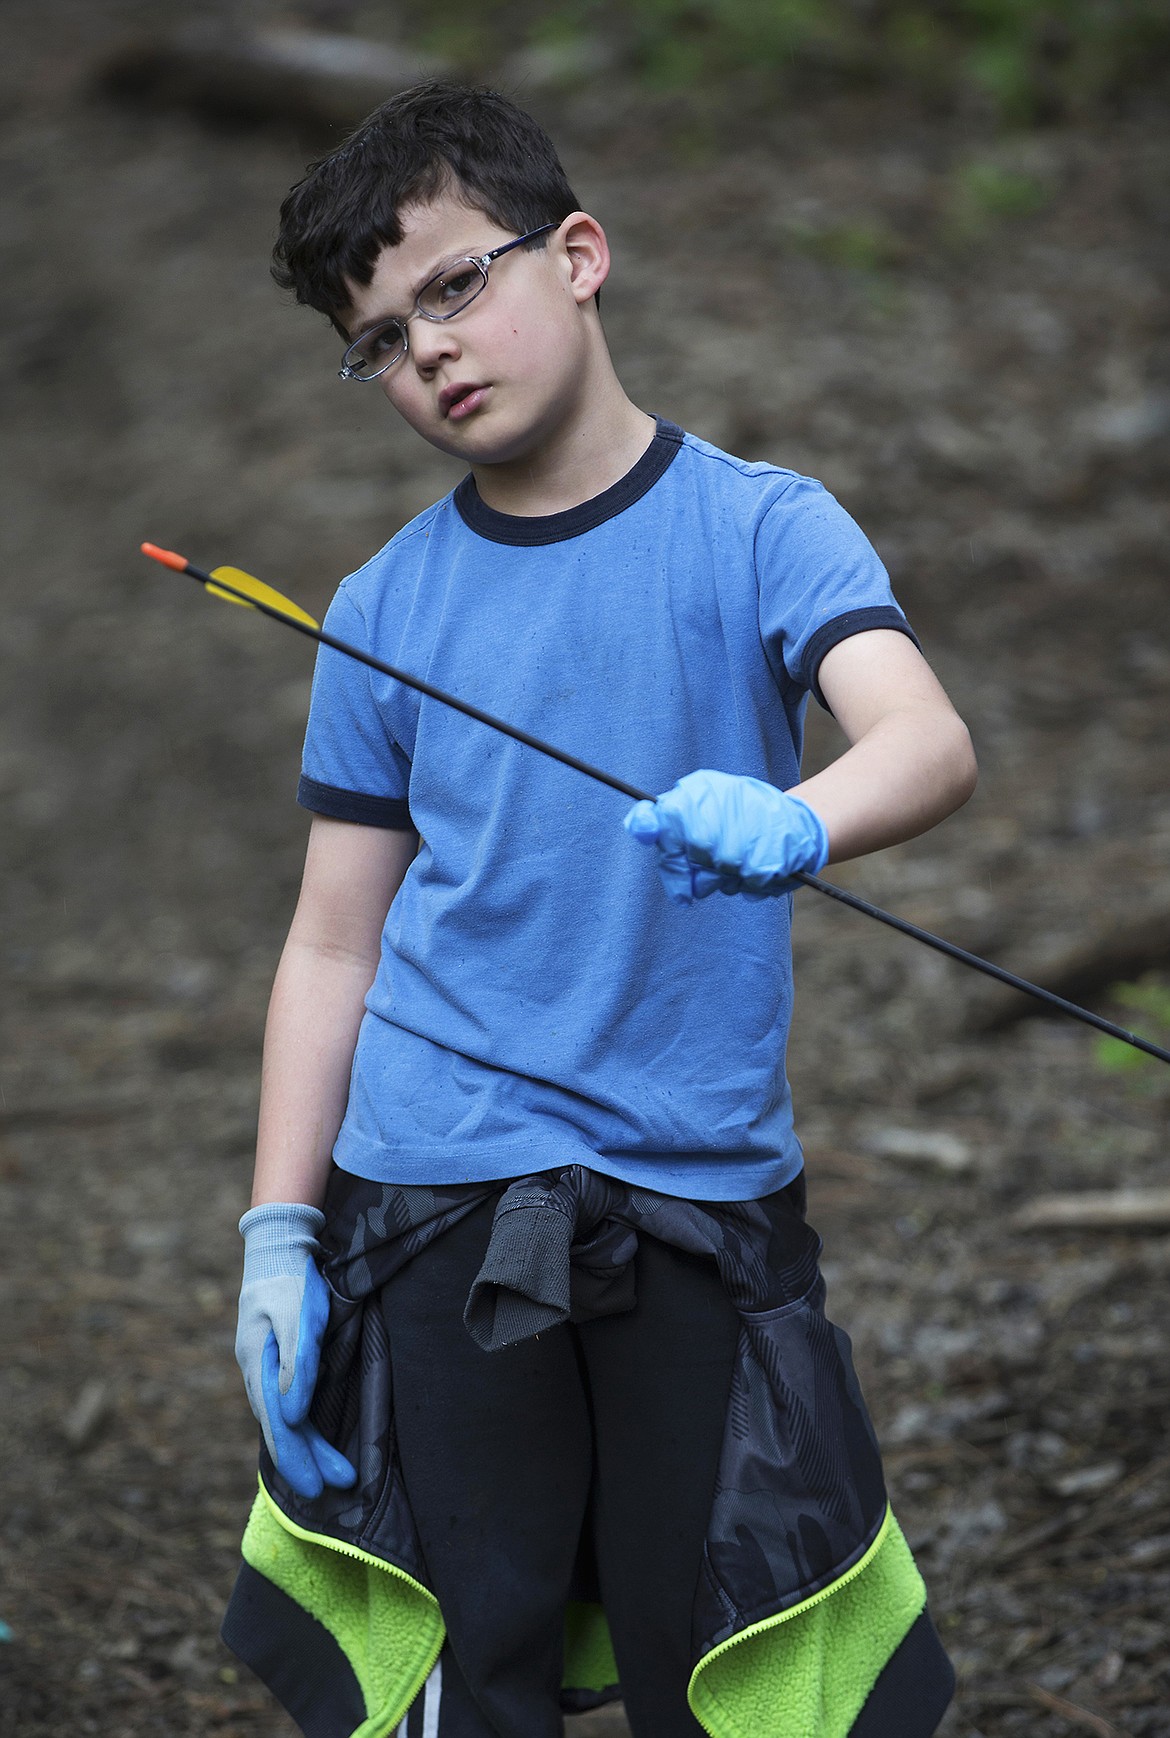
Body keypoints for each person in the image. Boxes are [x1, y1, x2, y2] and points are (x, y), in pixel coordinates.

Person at [222, 81, 977, 1738]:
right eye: (377, 339)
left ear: (577, 254)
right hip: (430, 1201)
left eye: (453, 285)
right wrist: (282, 1232)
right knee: (476, 1649)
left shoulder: (762, 525)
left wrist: (797, 814)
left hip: (694, 1194)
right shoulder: (377, 607)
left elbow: (923, 742)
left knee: (698, 1644)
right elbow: (333, 939)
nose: (426, 349)